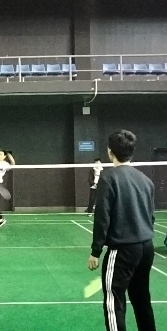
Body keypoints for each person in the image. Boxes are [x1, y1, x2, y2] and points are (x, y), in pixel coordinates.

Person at [88, 130, 156, 331]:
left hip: (122, 251)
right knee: (141, 298)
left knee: (114, 300)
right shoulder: (146, 180)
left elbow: (103, 217)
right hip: (146, 248)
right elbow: (151, 216)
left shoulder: (108, 178)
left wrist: (95, 251)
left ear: (110, 152)